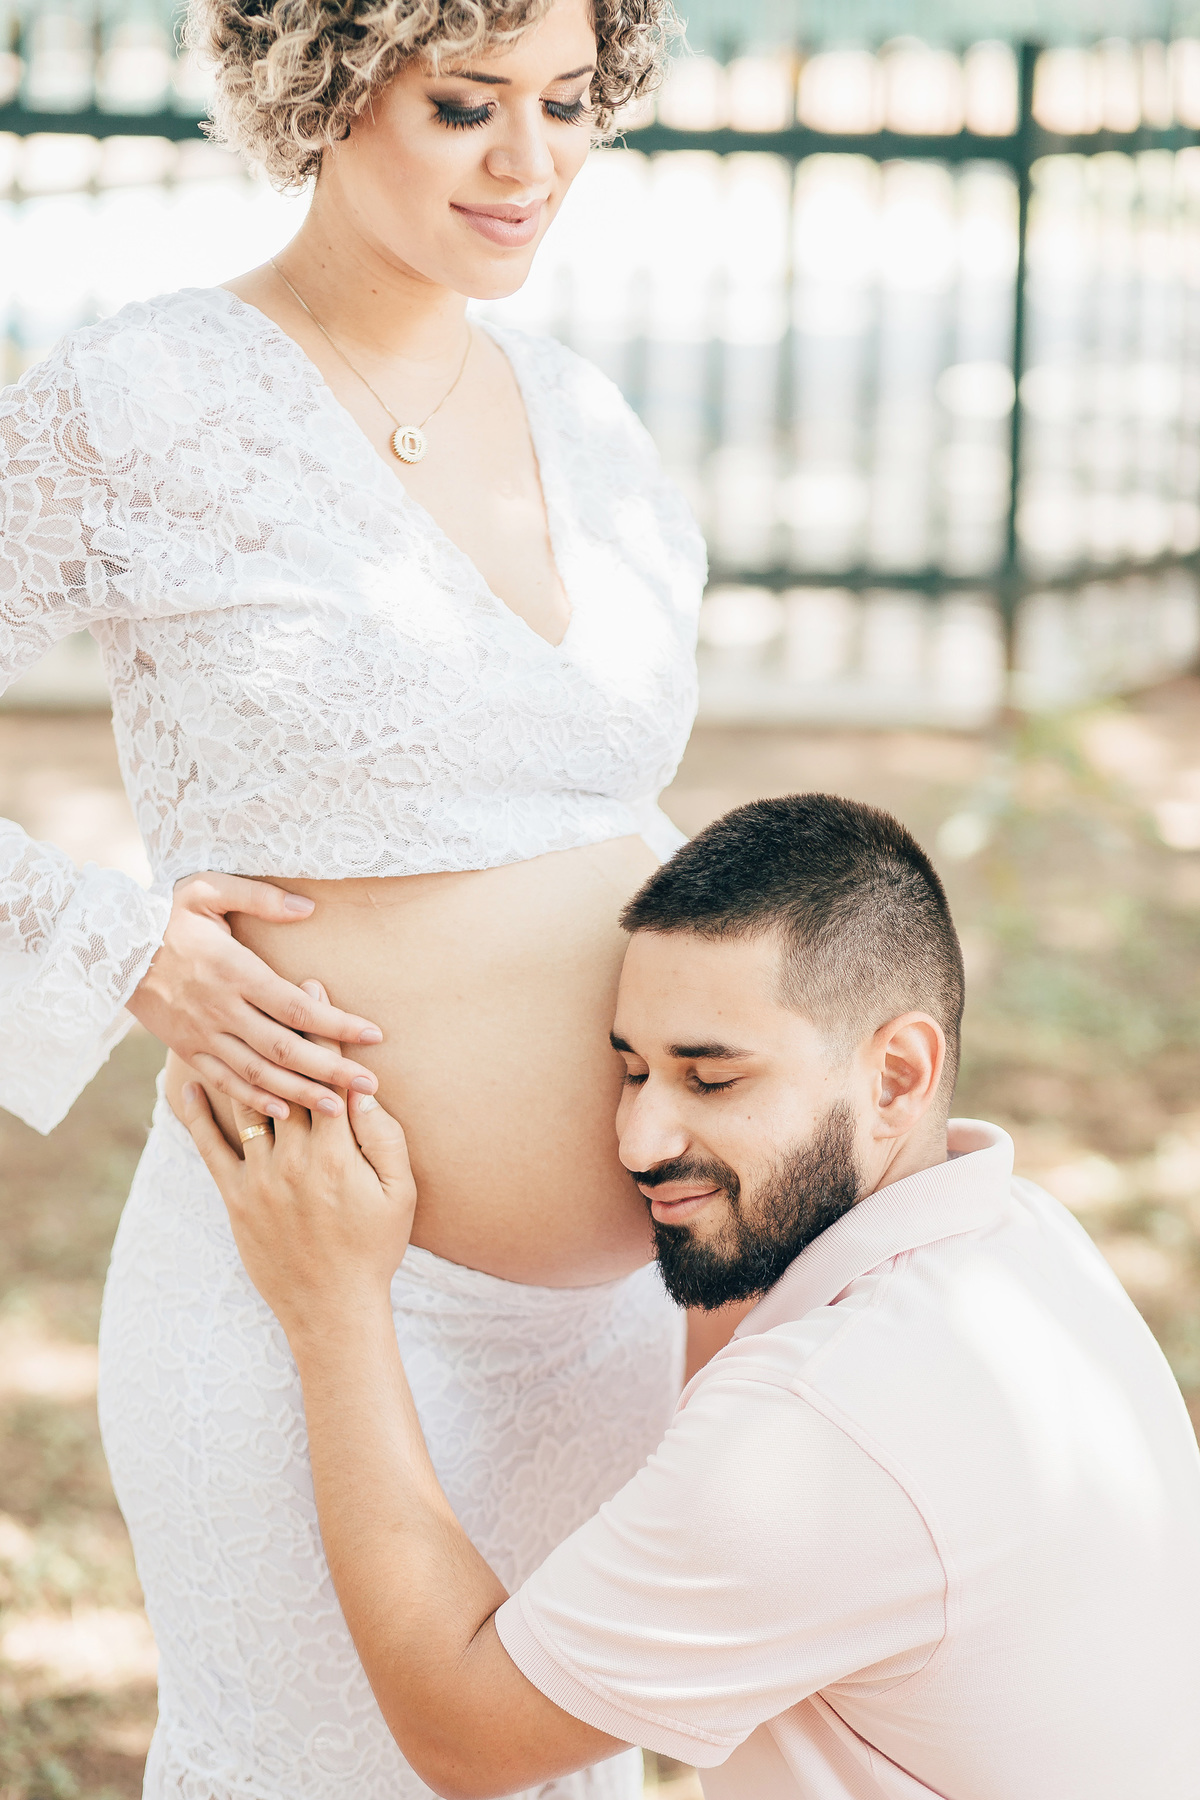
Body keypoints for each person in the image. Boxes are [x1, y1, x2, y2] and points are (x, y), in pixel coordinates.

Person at [0, 1, 705, 1794]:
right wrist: (119, 942)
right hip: (301, 1279)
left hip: (616, 1325)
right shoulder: (142, 395)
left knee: (560, 1768)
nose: (530, 162)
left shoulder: (590, 420)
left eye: (566, 103)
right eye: (466, 104)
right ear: (325, 81)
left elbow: (606, 800)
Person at [186, 793, 1200, 1800]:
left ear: (898, 1076)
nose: (637, 1141)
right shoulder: (1026, 1243)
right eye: (630, 1071)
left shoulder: (821, 1437)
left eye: (711, 1082)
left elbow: (464, 1733)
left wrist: (334, 1305)